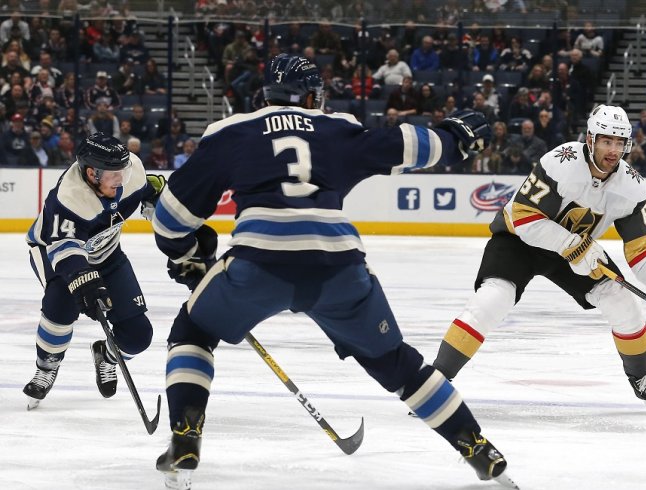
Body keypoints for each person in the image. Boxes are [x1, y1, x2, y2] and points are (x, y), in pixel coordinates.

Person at [151, 54, 515, 489]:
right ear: (309, 96)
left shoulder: (232, 132)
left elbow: (170, 217)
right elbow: (403, 144)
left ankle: (186, 435)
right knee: (397, 364)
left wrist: (187, 253)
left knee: (193, 332)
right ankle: (475, 445)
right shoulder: (336, 127)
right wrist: (455, 137)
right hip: (338, 267)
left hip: (258, 263)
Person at [430, 104, 646, 415]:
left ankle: (642, 377)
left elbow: (643, 248)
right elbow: (521, 216)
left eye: (620, 143)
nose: (614, 151)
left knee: (621, 300)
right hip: (519, 242)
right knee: (492, 300)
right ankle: (434, 383)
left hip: (575, 251)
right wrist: (571, 244)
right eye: (607, 141)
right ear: (590, 140)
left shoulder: (632, 187)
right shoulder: (561, 161)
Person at [22, 132, 166, 409]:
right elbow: (64, 248)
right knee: (60, 308)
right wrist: (85, 282)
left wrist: (157, 200)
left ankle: (107, 355)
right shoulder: (70, 196)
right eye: (114, 173)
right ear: (92, 173)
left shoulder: (130, 169)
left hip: (108, 255)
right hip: (54, 253)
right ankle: (47, 366)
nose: (122, 178)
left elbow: (151, 188)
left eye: (123, 169)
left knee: (138, 336)